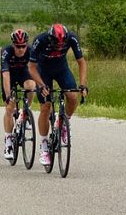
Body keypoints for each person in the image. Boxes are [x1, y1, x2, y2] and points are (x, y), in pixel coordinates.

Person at [28, 23, 88, 167]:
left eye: (63, 45)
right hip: (43, 72)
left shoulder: (71, 38)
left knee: (73, 96)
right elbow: (31, 67)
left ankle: (63, 123)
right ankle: (43, 147)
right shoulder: (40, 40)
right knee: (46, 106)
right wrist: (41, 85)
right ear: (50, 39)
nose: (60, 47)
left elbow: (82, 62)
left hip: (61, 69)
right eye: (57, 45)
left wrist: (83, 84)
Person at [0, 29, 36, 160]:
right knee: (10, 108)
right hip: (9, 75)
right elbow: (5, 75)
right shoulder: (6, 52)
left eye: (23, 46)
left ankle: (26, 111)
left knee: (32, 86)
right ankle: (8, 142)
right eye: (18, 46)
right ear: (13, 44)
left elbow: (37, 69)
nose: (21, 49)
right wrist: (9, 94)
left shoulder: (31, 50)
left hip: (23, 73)